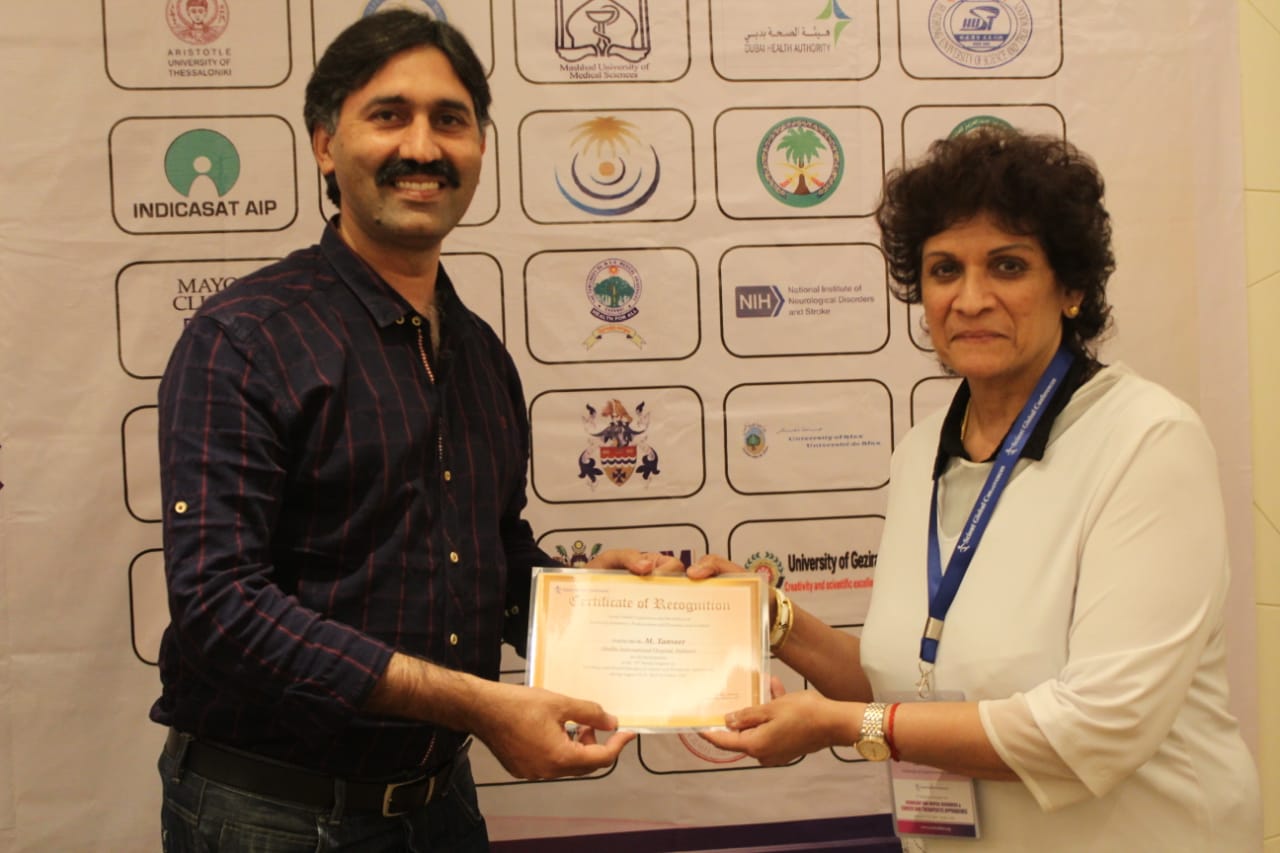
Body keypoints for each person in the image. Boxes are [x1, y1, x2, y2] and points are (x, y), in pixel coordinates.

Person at [151, 11, 680, 851]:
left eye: (450, 119)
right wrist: (480, 704)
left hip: (441, 808)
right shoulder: (245, 339)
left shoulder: (479, 352)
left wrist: (580, 603)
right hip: (274, 816)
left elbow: (486, 556)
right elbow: (221, 607)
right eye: (389, 115)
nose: (424, 147)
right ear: (326, 145)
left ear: (480, 148)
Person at [693, 128, 1262, 850]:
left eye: (1007, 266)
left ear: (1072, 288)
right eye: (944, 270)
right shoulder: (921, 452)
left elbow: (1096, 727)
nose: (969, 299)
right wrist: (770, 619)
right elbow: (912, 683)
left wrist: (843, 726)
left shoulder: (1148, 441)